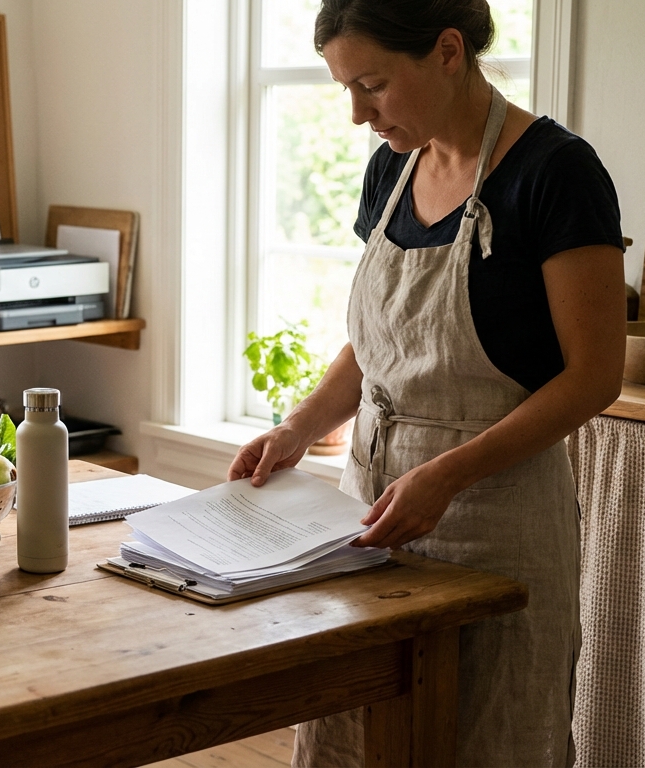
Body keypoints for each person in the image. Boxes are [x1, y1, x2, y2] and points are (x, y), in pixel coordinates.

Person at [228, 1, 624, 765]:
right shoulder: (390, 169)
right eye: (345, 89)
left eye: (371, 84)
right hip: (367, 519)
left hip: (497, 526)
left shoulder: (555, 174)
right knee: (354, 738)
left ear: (448, 51)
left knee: (490, 739)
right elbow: (378, 345)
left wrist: (447, 475)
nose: (355, 114)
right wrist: (299, 428)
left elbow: (594, 378)